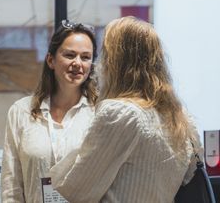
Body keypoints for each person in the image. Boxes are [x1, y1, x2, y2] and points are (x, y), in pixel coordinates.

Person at [50, 16, 202, 203]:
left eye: (105, 54)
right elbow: (187, 176)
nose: (100, 64)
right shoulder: (180, 118)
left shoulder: (119, 113)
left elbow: (75, 190)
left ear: (117, 62)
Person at [1, 19, 99, 202]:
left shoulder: (100, 114)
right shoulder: (21, 111)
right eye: (70, 55)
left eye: (85, 57)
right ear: (51, 60)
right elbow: (11, 184)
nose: (78, 63)